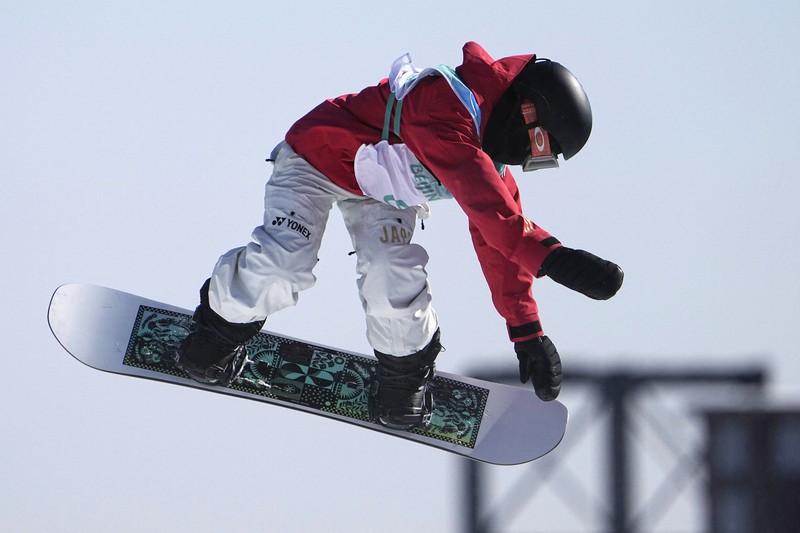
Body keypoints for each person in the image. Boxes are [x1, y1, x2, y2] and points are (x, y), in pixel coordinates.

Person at [176, 41, 623, 430]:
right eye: (540, 149)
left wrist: (527, 331)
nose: (530, 161)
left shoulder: (490, 162)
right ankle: (216, 333)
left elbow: (499, 244)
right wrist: (556, 258)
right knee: (283, 263)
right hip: (317, 158)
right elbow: (493, 216)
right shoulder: (445, 104)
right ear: (528, 109)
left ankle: (403, 378)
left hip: (382, 196)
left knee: (394, 274)